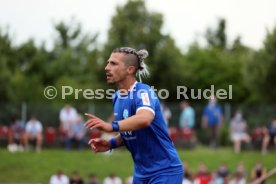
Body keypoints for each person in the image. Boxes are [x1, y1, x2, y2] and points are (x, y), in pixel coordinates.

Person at [84, 47, 184, 184]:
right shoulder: (117, 97)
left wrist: (111, 126)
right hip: (141, 174)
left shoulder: (143, 92)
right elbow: (130, 131)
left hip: (165, 171)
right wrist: (110, 143)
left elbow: (145, 119)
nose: (107, 67)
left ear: (130, 70)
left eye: (113, 63)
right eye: (108, 63)